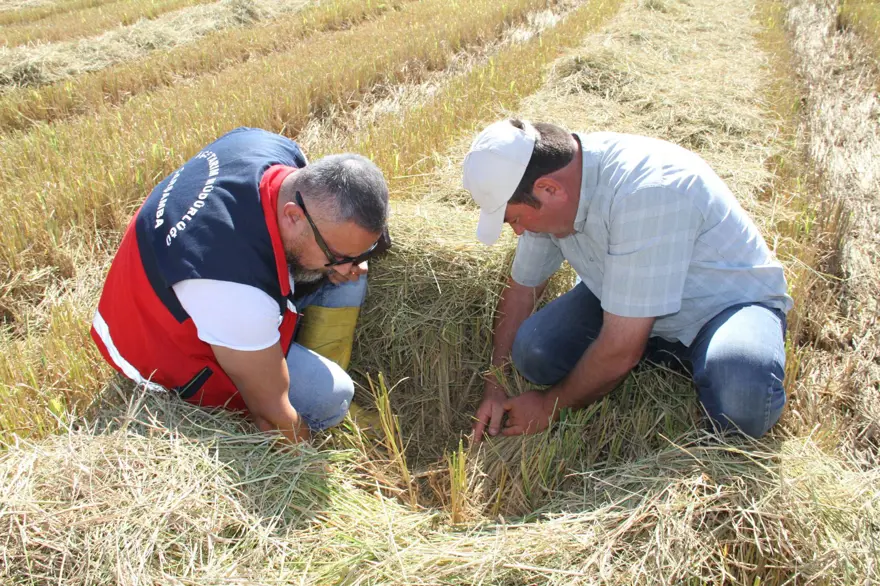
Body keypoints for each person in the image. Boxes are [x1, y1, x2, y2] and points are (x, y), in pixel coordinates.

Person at [462, 119, 792, 442]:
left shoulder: (648, 192)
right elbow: (521, 291)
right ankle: (650, 348)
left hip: (724, 306)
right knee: (534, 351)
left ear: (550, 189)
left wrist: (549, 407)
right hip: (622, 296)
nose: (518, 231)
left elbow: (620, 349)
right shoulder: (549, 186)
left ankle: (692, 353)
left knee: (740, 397)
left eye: (516, 219)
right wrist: (495, 384)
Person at [91, 127, 390, 443]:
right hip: (166, 345)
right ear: (293, 216)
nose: (345, 266)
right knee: (332, 398)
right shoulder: (233, 289)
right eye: (337, 256)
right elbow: (272, 415)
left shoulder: (276, 152)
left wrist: (345, 257)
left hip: (213, 293)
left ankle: (304, 363)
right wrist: (312, 465)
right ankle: (314, 397)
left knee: (349, 281)